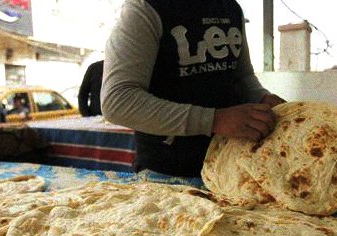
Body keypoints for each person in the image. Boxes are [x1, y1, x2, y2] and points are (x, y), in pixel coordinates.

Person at [102, 0, 285, 178]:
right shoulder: (145, 8)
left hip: (233, 166)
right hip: (167, 172)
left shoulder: (231, 8)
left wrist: (261, 97)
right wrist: (214, 120)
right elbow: (117, 101)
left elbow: (241, 77)